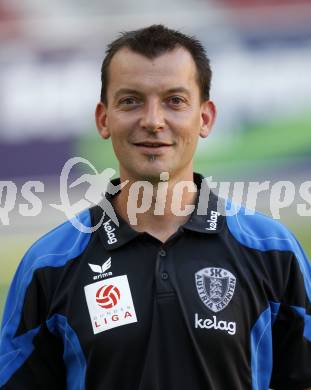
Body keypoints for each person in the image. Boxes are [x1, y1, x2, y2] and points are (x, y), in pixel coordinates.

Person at [0, 24, 310, 390]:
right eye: (130, 100)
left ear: (206, 118)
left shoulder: (272, 251)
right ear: (103, 119)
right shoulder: (48, 266)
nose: (152, 120)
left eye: (174, 101)